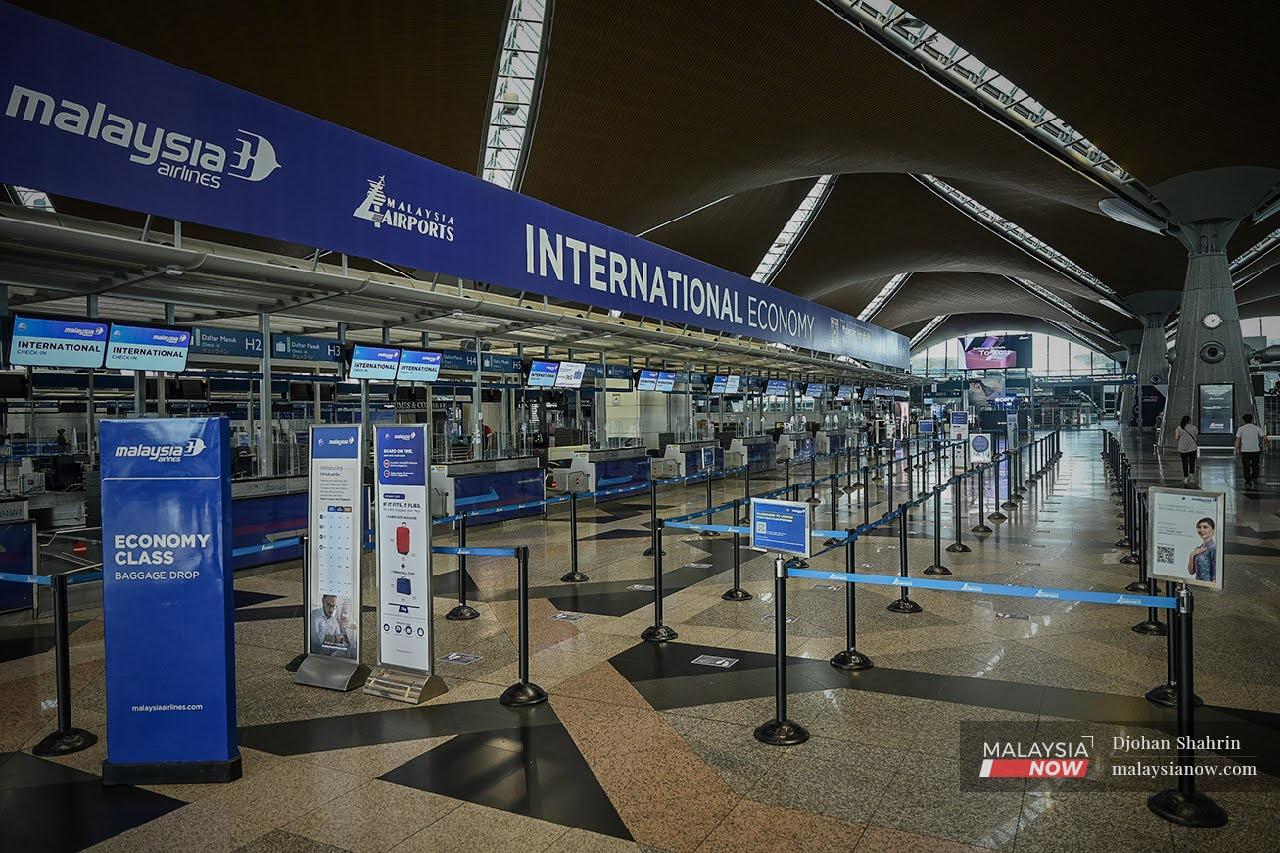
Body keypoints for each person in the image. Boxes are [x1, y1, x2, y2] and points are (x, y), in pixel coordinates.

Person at [1234, 413, 1267, 487]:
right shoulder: (1257, 428)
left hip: (1244, 450)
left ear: (1243, 420)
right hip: (1255, 450)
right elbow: (1264, 438)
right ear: (1252, 420)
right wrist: (1264, 445)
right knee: (1255, 466)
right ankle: (1254, 478)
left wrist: (1236, 449)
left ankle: (1247, 481)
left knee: (1246, 466)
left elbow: (1237, 440)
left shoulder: (1240, 429)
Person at [1186, 517, 1216, 584]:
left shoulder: (1213, 548)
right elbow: (1191, 572)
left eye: (1205, 527)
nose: (1201, 530)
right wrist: (1191, 555)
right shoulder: (1198, 549)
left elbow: (1215, 575)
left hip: (1208, 586)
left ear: (1213, 530)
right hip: (1198, 584)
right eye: (1199, 527)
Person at [1174, 415, 1199, 485]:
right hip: (1192, 447)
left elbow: (1176, 438)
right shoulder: (1194, 427)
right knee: (1192, 462)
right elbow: (1196, 436)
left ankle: (1185, 477)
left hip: (1182, 448)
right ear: (1189, 421)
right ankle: (1191, 475)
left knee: (1184, 462)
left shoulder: (1179, 428)